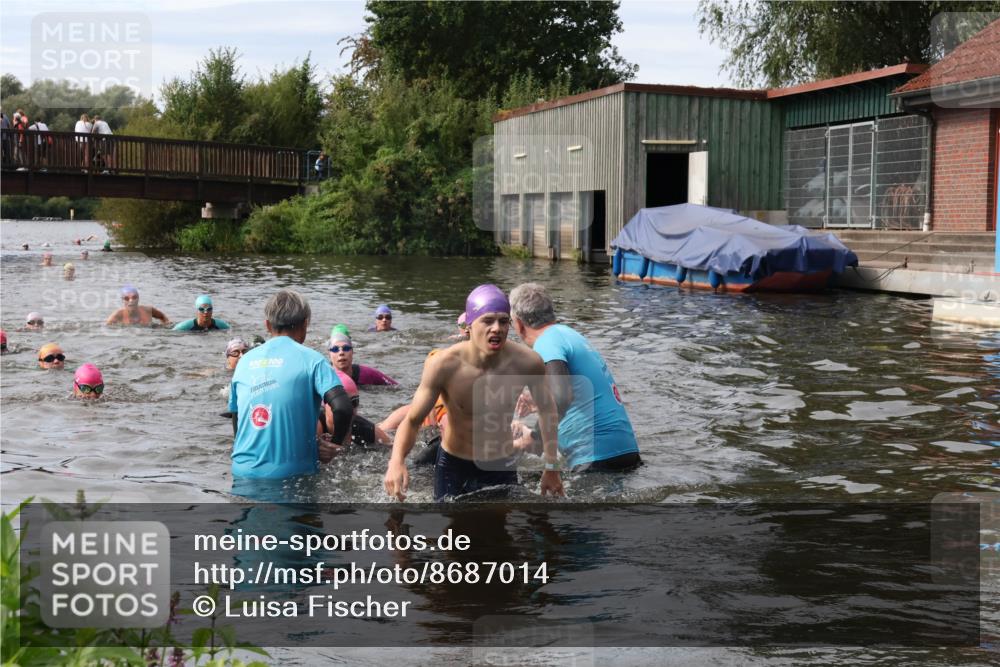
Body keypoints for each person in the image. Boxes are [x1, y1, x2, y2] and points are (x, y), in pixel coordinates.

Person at [383, 284, 564, 501]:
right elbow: (412, 420)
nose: (496, 328)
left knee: (500, 532)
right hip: (453, 463)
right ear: (469, 325)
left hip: (500, 463)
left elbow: (547, 411)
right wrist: (396, 462)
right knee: (452, 533)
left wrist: (551, 466)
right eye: (487, 321)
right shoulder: (444, 364)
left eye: (503, 321)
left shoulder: (527, 362)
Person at [509, 283, 641, 473]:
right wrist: (539, 403)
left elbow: (562, 397)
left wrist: (537, 438)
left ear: (519, 324)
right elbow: (576, 393)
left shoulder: (546, 343)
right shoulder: (569, 335)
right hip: (624, 450)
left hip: (596, 458)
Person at [228, 289, 353, 480]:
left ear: (268, 325)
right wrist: (334, 446)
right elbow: (343, 407)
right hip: (291, 475)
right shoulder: (313, 360)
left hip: (241, 472)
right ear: (305, 325)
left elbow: (236, 416)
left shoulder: (244, 361)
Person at [328, 327, 398, 386]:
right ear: (329, 354)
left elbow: (396, 387)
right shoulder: (324, 378)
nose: (341, 352)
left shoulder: (367, 373)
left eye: (346, 348)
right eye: (335, 349)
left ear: (352, 352)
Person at [105, 285, 171, 327]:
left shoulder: (148, 310)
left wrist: (165, 327)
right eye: (126, 298)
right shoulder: (117, 315)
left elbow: (163, 317)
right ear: (122, 300)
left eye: (134, 297)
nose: (131, 301)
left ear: (138, 298)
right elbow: (107, 328)